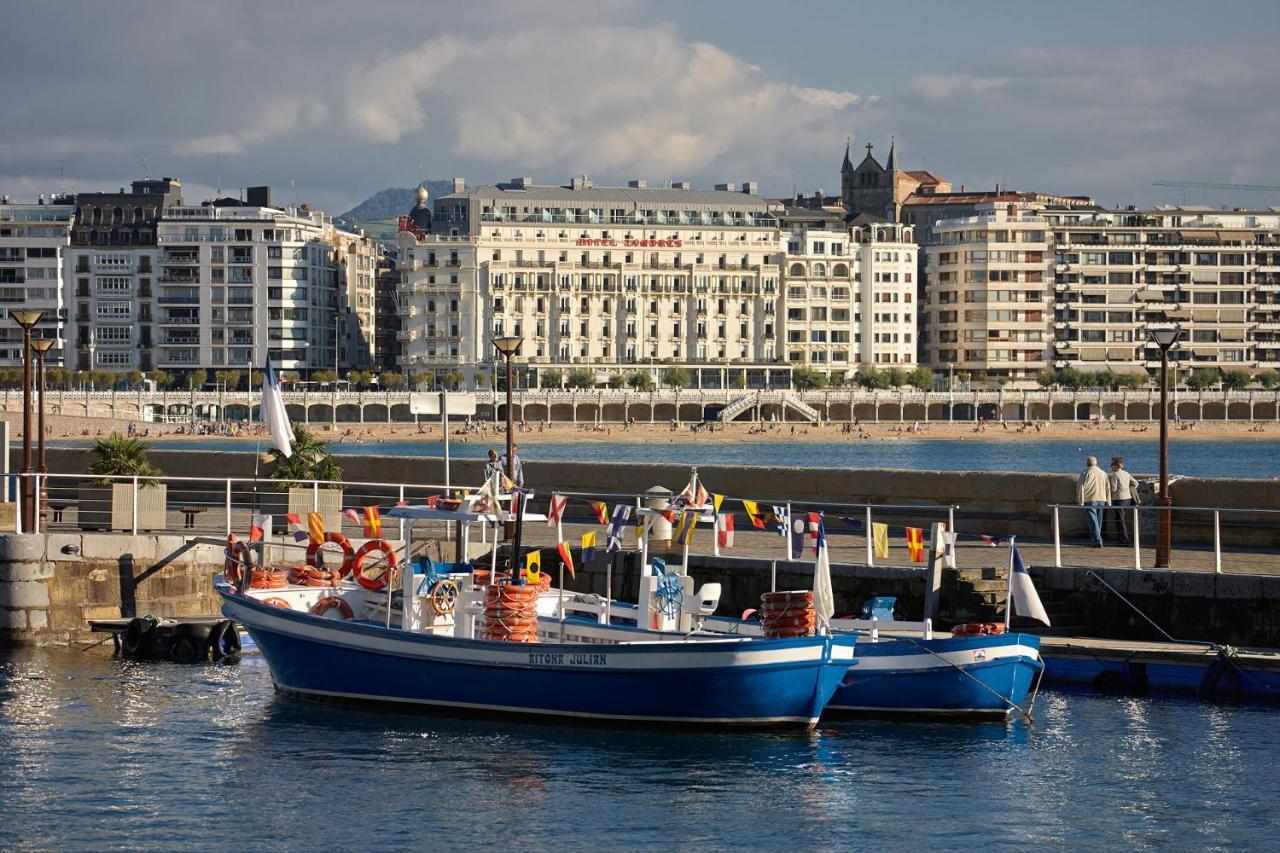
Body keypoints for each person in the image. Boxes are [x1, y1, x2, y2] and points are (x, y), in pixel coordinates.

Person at [1077, 456, 1111, 548]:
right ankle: (1094, 540)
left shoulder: (1085, 473)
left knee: (1092, 521)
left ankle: (1097, 540)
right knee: (1098, 521)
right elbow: (1108, 487)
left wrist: (1080, 501)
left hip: (1090, 498)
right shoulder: (1103, 473)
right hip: (1102, 499)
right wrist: (1109, 501)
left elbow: (1080, 487)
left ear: (1087, 463)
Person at [1107, 456, 1138, 545]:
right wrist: (1128, 488)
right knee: (1121, 519)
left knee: (1120, 520)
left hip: (1119, 499)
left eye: (1112, 464)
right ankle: (1122, 539)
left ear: (1117, 465)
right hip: (1128, 499)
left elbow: (1113, 489)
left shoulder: (1114, 475)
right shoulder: (1126, 473)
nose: (1110, 466)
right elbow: (1136, 483)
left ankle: (1124, 540)